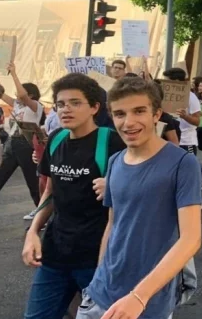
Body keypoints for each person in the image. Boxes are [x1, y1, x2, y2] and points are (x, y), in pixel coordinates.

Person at [79, 77, 202, 318]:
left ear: (157, 115)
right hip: (100, 293)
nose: (129, 122)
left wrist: (139, 296)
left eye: (139, 111)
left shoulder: (182, 164)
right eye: (120, 114)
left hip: (147, 300)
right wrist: (99, 274)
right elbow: (113, 224)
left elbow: (191, 239)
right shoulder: (115, 161)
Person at [21, 73, 126, 318]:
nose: (65, 109)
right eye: (60, 104)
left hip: (97, 258)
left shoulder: (112, 142)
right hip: (55, 254)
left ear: (94, 107)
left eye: (75, 103)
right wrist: (33, 231)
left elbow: (143, 188)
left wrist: (114, 184)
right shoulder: (56, 139)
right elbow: (50, 191)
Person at [0, 62, 43, 219]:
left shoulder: (35, 106)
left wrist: (14, 73)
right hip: (12, 143)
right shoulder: (17, 104)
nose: (17, 96)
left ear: (31, 95)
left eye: (21, 93)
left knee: (32, 181)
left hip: (26, 145)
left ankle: (42, 214)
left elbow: (22, 95)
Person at [164, 68, 201, 154]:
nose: (165, 84)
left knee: (187, 166)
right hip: (170, 140)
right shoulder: (165, 97)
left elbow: (197, 121)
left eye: (167, 81)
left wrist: (185, 116)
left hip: (186, 142)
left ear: (176, 81)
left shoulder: (191, 97)